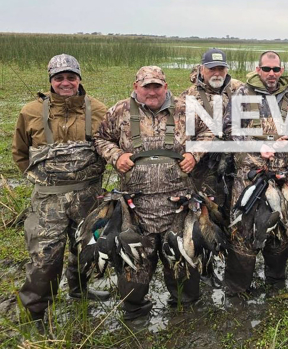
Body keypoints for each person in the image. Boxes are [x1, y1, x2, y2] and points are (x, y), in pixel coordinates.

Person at [93, 66, 213, 321]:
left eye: (157, 86)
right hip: (136, 207)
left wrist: (194, 154)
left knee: (182, 264)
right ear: (136, 87)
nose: (152, 91)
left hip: (178, 205)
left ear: (165, 87)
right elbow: (101, 138)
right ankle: (135, 311)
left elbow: (208, 132)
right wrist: (117, 156)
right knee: (135, 268)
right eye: (146, 86)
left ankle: (185, 311)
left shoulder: (186, 109)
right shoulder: (120, 111)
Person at [12, 54, 109, 323]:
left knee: (87, 247)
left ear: (79, 78)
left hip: (88, 195)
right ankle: (34, 313)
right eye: (59, 78)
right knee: (45, 259)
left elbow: (110, 146)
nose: (65, 83)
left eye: (71, 77)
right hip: (48, 200)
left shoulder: (99, 109)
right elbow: (20, 154)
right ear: (51, 80)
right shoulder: (30, 111)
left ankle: (80, 290)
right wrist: (45, 181)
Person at [222, 51, 288, 298]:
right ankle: (237, 288)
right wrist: (256, 145)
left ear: (282, 70)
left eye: (276, 69)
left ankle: (275, 282)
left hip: (282, 174)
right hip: (249, 175)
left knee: (280, 227)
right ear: (258, 69)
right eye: (267, 69)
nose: (271, 74)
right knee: (243, 229)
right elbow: (229, 128)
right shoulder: (242, 93)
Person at [180, 48, 242, 223]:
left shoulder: (240, 90)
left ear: (226, 70)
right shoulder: (188, 96)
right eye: (211, 69)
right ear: (201, 69)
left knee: (236, 206)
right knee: (207, 209)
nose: (216, 73)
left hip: (235, 161)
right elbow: (182, 134)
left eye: (220, 69)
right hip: (203, 164)